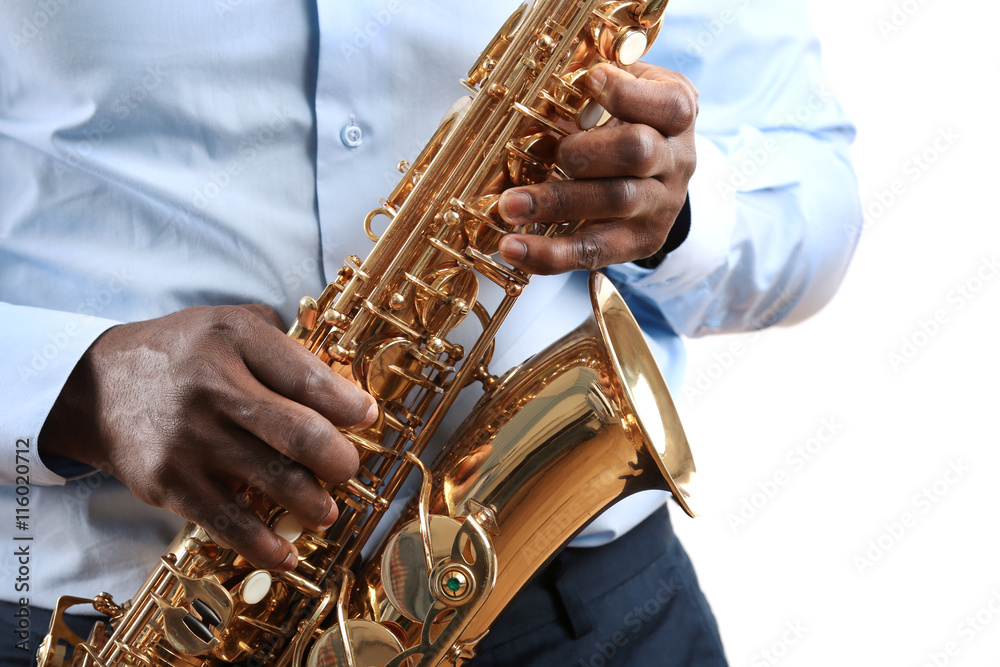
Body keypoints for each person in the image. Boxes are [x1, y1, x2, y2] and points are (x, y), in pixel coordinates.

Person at [0, 0, 859, 665]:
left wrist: (678, 213)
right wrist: (72, 384)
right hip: (139, 621)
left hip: (579, 615)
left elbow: (813, 192)